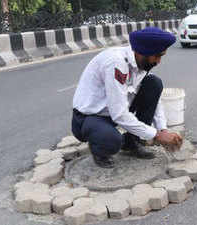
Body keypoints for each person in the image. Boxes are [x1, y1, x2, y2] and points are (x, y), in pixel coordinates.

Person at [72, 27, 183, 168]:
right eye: (157, 56)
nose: (158, 61)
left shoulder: (140, 62)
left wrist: (162, 129)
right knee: (111, 141)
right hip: (88, 118)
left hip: (113, 112)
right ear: (144, 52)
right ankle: (99, 151)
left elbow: (155, 101)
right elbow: (119, 114)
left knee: (154, 84)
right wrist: (156, 135)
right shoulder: (116, 63)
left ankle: (132, 143)